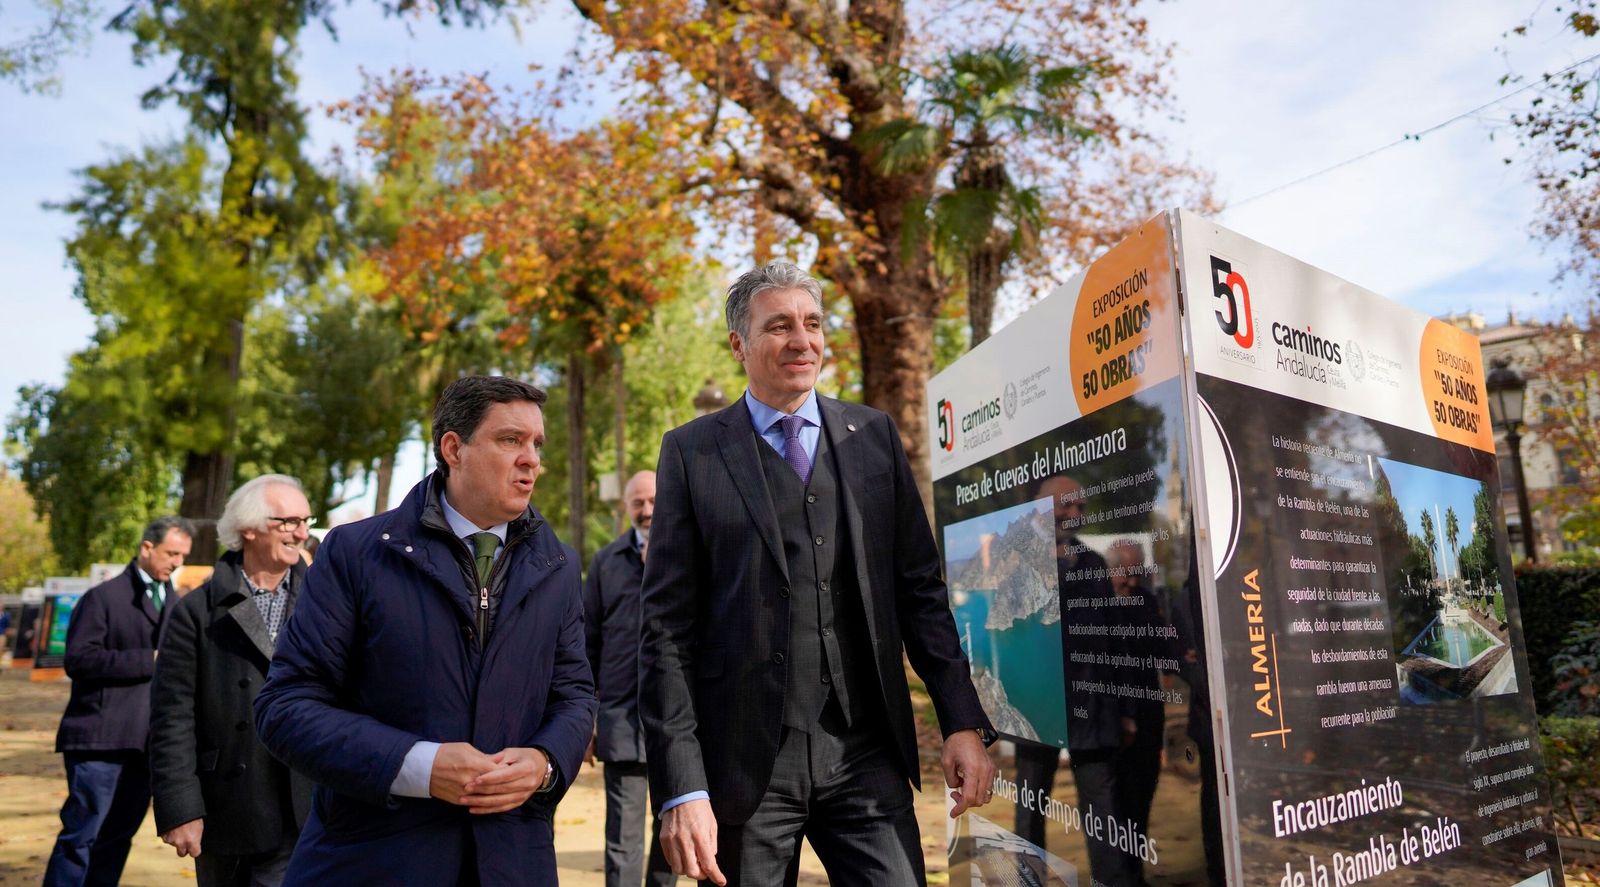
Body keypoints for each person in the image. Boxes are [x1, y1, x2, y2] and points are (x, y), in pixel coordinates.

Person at [640, 261, 998, 886]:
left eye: (811, 323)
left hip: (865, 754)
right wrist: (681, 787)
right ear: (738, 345)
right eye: (778, 326)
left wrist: (961, 720)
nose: (801, 340)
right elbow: (666, 632)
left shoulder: (873, 436)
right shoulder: (692, 452)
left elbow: (920, 593)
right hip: (745, 766)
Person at [254, 375, 596, 886]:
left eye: (536, 444)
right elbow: (286, 707)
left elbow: (574, 697)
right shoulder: (355, 553)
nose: (531, 459)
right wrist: (418, 766)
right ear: (454, 448)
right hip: (375, 862)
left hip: (512, 864)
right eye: (510, 440)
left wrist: (545, 763)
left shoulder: (560, 565)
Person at [150, 475, 317, 887]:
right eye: (288, 521)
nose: (301, 532)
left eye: (306, 521)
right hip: (232, 810)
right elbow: (172, 717)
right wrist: (181, 808)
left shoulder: (325, 601)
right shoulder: (196, 611)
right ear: (249, 528)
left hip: (312, 805)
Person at [44, 516, 193, 887]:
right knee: (81, 835)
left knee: (117, 838)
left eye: (183, 556)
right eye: (171, 553)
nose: (177, 563)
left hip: (146, 745)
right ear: (146, 548)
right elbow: (78, 659)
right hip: (99, 739)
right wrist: (149, 660)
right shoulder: (102, 597)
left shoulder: (175, 602)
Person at [582, 469, 676, 887]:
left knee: (671, 833)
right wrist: (585, 719)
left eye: (654, 501)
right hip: (621, 722)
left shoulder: (688, 558)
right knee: (622, 839)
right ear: (626, 507)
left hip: (679, 728)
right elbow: (586, 645)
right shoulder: (605, 563)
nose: (647, 510)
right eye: (638, 502)